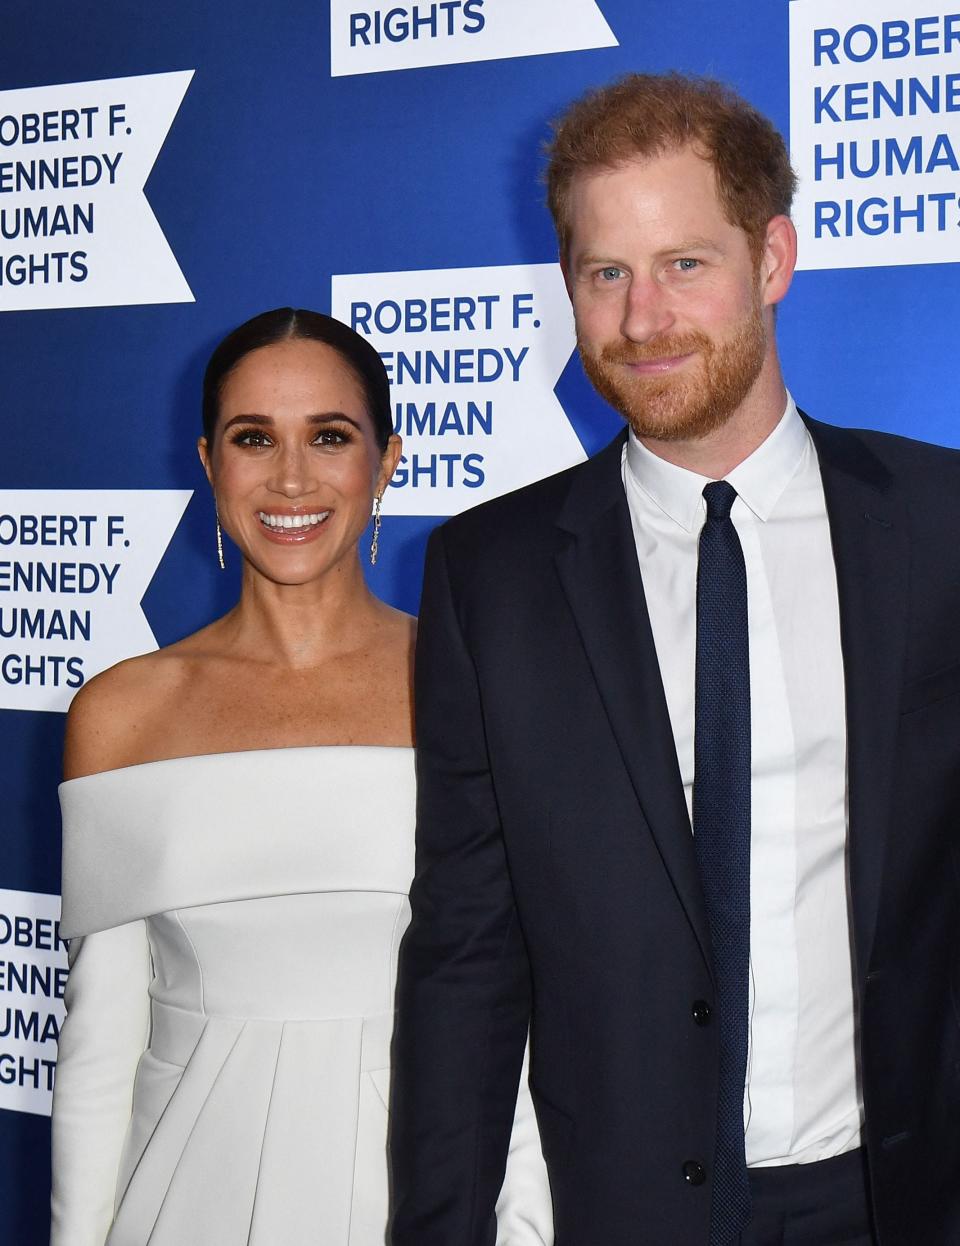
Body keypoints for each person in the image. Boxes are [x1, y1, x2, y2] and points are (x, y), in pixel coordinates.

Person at [390, 73, 960, 1246]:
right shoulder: (488, 575)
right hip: (629, 1212)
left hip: (905, 1195)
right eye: (607, 273)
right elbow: (466, 951)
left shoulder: (942, 524)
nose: (643, 320)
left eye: (685, 264)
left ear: (773, 257)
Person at [50, 308, 553, 1246]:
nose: (290, 477)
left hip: (421, 1198)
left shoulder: (480, 689)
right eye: (254, 439)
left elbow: (522, 1030)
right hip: (183, 1198)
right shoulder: (123, 716)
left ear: (387, 461)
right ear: (208, 463)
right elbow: (99, 1048)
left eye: (329, 436)